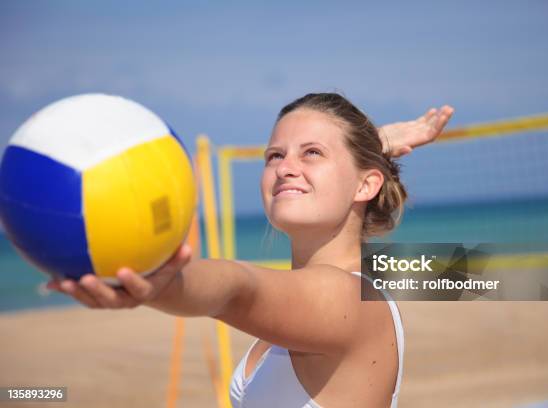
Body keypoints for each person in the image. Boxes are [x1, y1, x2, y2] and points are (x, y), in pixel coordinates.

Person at [47, 94, 453, 407]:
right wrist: (368, 147)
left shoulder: (351, 301)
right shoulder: (314, 300)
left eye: (311, 152)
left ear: (366, 185)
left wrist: (163, 284)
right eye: (275, 156)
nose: (284, 167)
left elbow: (239, 287)